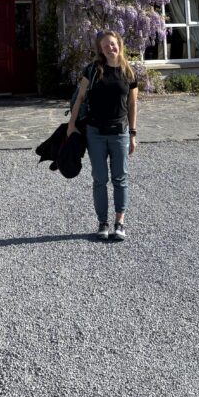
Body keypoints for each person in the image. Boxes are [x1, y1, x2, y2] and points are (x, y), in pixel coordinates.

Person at [67, 30, 138, 241]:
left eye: (113, 44)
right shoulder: (92, 70)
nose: (110, 49)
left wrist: (133, 133)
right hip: (95, 133)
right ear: (100, 49)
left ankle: (120, 223)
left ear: (119, 45)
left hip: (120, 133)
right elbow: (79, 98)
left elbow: (133, 104)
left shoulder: (128, 72)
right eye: (105, 46)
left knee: (120, 178)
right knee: (99, 179)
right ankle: (103, 222)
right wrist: (71, 125)